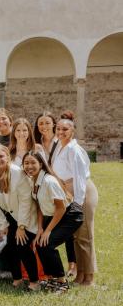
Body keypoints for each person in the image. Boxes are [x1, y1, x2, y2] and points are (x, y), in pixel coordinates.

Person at [23, 151, 83, 292]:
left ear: (41, 164)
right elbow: (39, 206)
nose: (29, 166)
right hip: (53, 215)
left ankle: (62, 282)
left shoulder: (49, 181)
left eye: (33, 163)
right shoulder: (33, 180)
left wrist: (48, 231)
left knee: (47, 243)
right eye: (26, 163)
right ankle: (52, 279)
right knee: (39, 243)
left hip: (70, 215)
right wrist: (40, 230)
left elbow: (61, 208)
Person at [51, 112, 98, 286]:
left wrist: (78, 202)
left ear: (72, 131)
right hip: (69, 194)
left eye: (65, 129)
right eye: (59, 128)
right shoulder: (58, 145)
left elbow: (79, 178)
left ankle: (90, 277)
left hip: (83, 193)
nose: (61, 131)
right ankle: (80, 275)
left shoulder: (74, 149)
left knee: (85, 235)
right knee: (77, 236)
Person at [0, 144, 40, 290]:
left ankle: (35, 281)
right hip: (9, 216)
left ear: (8, 157)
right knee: (10, 246)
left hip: (26, 216)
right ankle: (17, 278)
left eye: (1, 156)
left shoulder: (18, 173)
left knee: (21, 245)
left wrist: (21, 226)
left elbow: (25, 202)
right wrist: (3, 225)